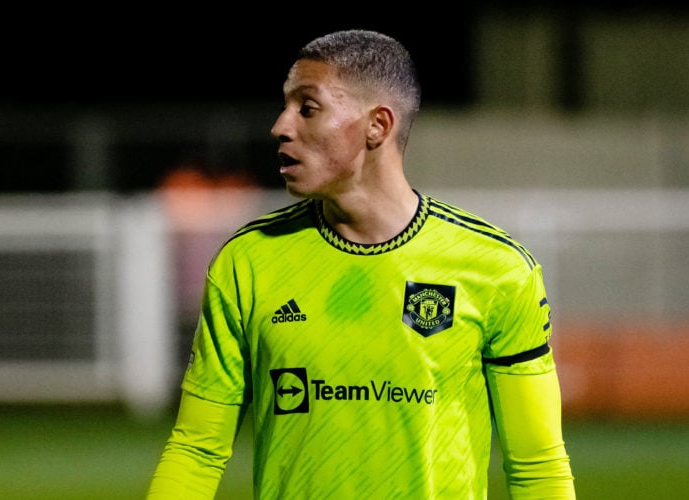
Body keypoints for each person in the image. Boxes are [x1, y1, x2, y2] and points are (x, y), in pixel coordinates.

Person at [147, 29, 575, 499]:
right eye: (285, 106)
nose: (280, 126)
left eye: (307, 107)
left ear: (378, 126)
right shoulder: (246, 262)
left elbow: (536, 463)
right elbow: (196, 449)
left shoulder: (496, 269)